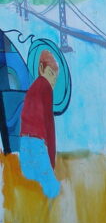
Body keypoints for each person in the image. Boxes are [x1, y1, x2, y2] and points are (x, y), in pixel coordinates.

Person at [18, 50, 60, 198]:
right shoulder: (46, 87)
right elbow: (48, 124)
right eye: (51, 73)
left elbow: (25, 117)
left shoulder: (33, 88)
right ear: (41, 69)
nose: (53, 80)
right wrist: (52, 160)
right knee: (52, 188)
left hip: (24, 140)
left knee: (31, 181)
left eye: (55, 77)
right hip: (38, 142)